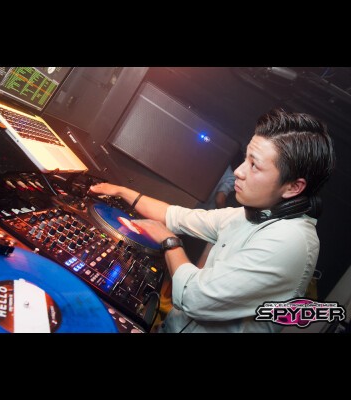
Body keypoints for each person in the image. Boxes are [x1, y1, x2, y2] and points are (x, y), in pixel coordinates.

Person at [90, 109, 335, 333]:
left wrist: (169, 241)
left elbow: (194, 298)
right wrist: (122, 191)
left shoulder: (290, 241)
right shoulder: (254, 214)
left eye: (254, 165)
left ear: (293, 187)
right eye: (245, 159)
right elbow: (176, 216)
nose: (238, 171)